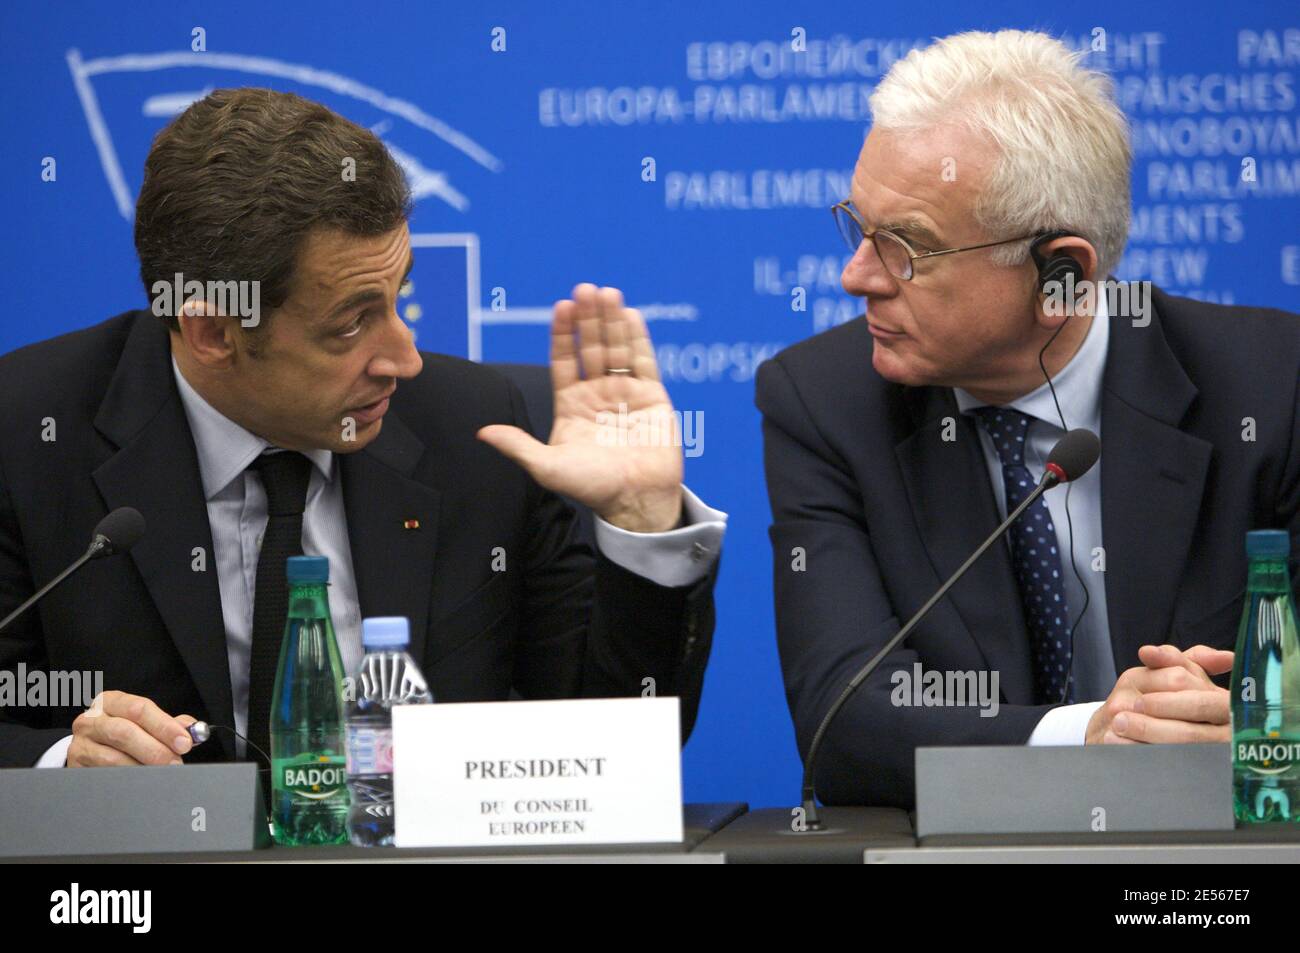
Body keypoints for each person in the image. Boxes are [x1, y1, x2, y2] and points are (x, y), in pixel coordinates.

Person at [0, 88, 726, 770]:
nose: (406, 358)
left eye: (399, 296)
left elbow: (614, 747)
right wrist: (64, 762)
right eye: (351, 322)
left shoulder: (477, 431)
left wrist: (641, 525)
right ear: (213, 328)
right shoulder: (29, 431)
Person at [757, 30, 1300, 808]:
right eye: (858, 225)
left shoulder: (1272, 389)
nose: (855, 277)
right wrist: (1088, 735)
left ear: (1061, 274)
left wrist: (1259, 725)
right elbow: (844, 720)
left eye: (905, 247)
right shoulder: (824, 401)